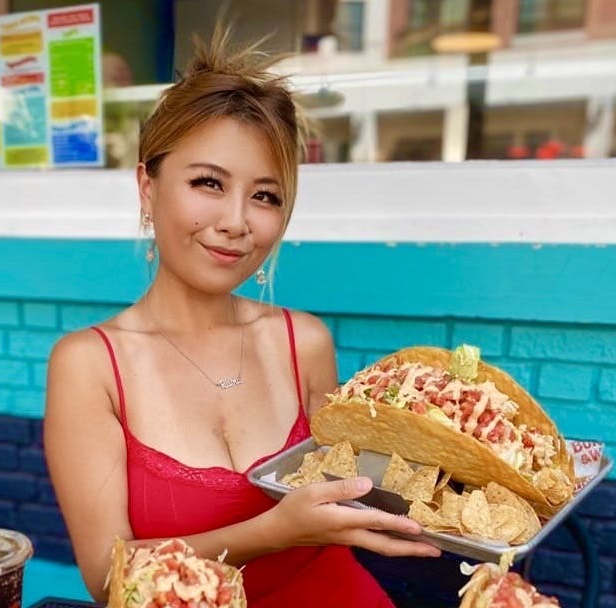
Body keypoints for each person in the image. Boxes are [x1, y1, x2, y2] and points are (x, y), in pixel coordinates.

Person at [44, 27, 441, 607]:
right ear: (147, 188)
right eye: (208, 183)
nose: (236, 220)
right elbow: (109, 578)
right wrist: (275, 532)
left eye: (265, 196)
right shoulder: (89, 365)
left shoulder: (303, 342)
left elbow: (351, 495)